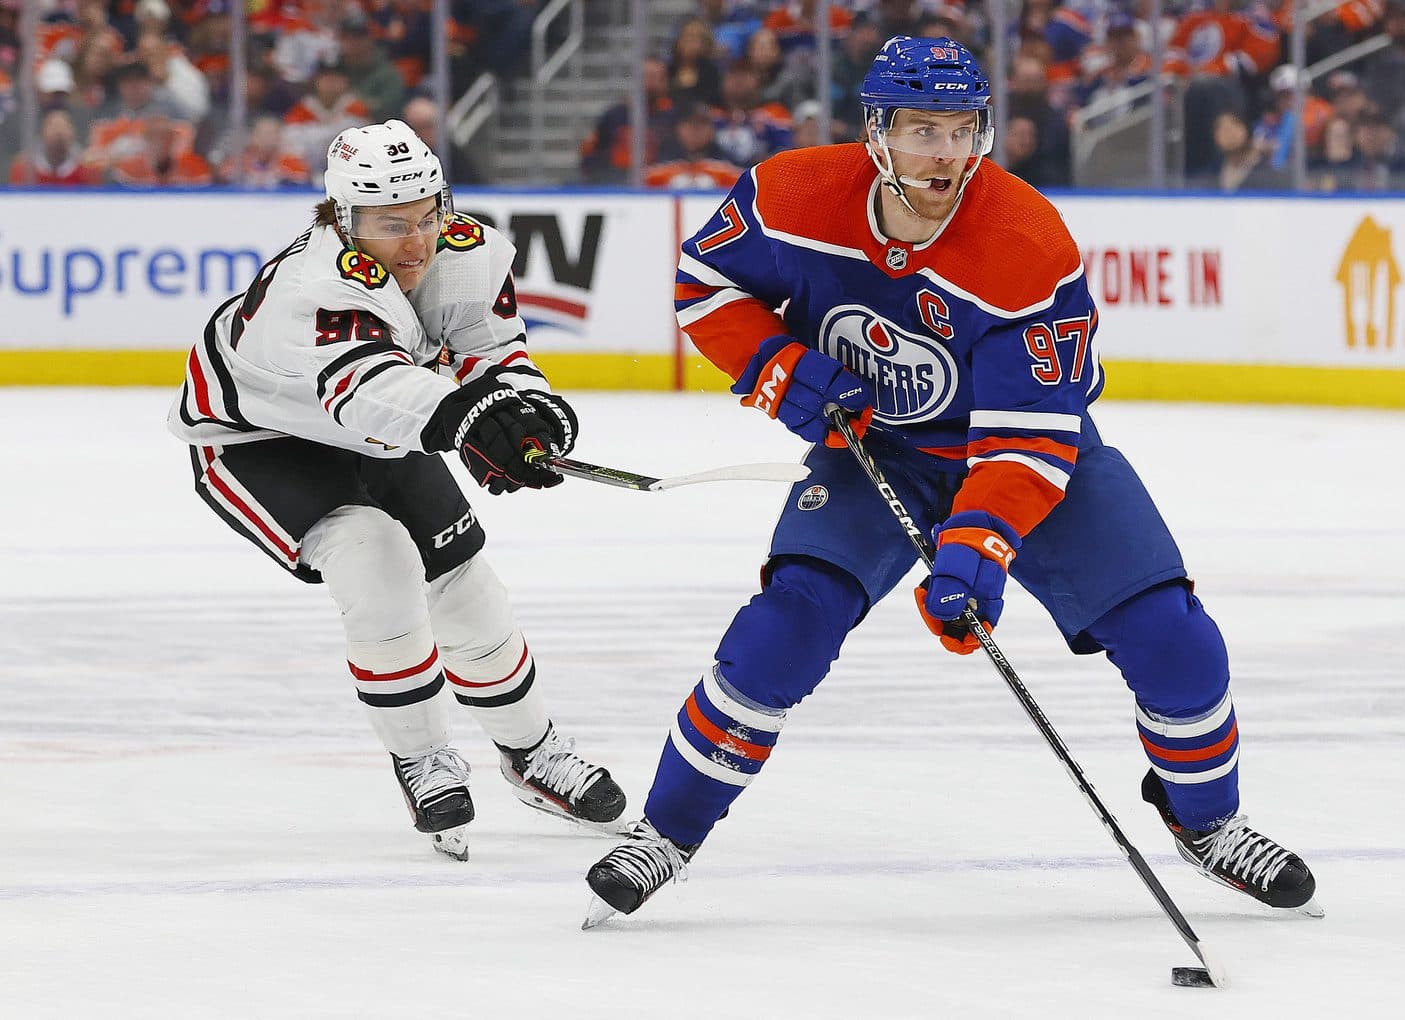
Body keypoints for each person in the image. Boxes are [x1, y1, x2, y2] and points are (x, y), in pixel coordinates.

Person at [584, 37, 1320, 925]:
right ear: (877, 132)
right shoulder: (793, 195)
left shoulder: (1025, 241)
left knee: (1178, 643)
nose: (945, 153)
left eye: (963, 129)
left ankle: (1208, 823)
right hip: (872, 454)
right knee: (783, 630)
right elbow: (707, 284)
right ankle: (666, 835)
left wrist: (979, 544)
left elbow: (1030, 439)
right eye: (922, 129)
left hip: (1023, 457)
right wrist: (788, 374)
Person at [167, 120, 626, 861]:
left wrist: (524, 412)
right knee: (376, 559)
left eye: (426, 216)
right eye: (391, 225)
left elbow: (489, 350)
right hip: (257, 443)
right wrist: (469, 419)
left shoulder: (464, 249)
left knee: (465, 583)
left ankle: (533, 753)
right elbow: (368, 390)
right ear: (342, 220)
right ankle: (420, 755)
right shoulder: (311, 288)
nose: (416, 243)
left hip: (377, 425)